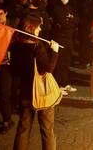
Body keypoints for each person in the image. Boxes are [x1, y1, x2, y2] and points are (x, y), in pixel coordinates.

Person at [11, 14, 60, 150]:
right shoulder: (37, 47)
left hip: (25, 92)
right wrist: (54, 51)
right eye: (38, 27)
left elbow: (14, 70)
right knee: (47, 130)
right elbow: (48, 67)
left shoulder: (15, 46)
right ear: (31, 28)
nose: (39, 30)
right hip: (42, 93)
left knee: (23, 129)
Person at [49, 0, 79, 95]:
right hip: (59, 38)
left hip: (69, 39)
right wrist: (69, 22)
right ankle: (58, 85)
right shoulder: (56, 8)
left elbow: (76, 20)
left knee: (66, 62)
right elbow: (63, 22)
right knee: (59, 62)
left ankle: (65, 83)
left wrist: (69, 22)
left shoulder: (70, 8)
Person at [0, 7, 18, 134]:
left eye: (1, 14)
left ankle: (11, 112)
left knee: (14, 91)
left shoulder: (13, 25)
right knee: (3, 93)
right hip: (2, 65)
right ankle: (6, 120)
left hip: (15, 64)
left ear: (6, 13)